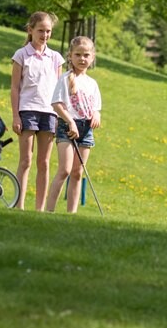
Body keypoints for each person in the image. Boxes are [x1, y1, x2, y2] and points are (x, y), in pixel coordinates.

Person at [10, 12, 63, 210]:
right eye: (41, 30)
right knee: (25, 161)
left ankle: (39, 209)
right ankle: (19, 206)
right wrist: (16, 116)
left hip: (49, 113)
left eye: (48, 31)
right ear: (30, 30)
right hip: (27, 111)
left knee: (44, 162)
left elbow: (59, 91)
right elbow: (15, 88)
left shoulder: (56, 58)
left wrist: (60, 116)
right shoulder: (21, 55)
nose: (45, 35)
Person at [45, 36, 102, 214]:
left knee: (77, 172)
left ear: (92, 57)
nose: (82, 59)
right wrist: (70, 122)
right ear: (70, 56)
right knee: (65, 170)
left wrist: (96, 115)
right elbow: (56, 104)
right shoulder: (65, 79)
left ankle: (72, 213)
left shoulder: (92, 83)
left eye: (86, 55)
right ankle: (49, 211)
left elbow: (96, 108)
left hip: (86, 130)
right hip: (67, 127)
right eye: (78, 55)